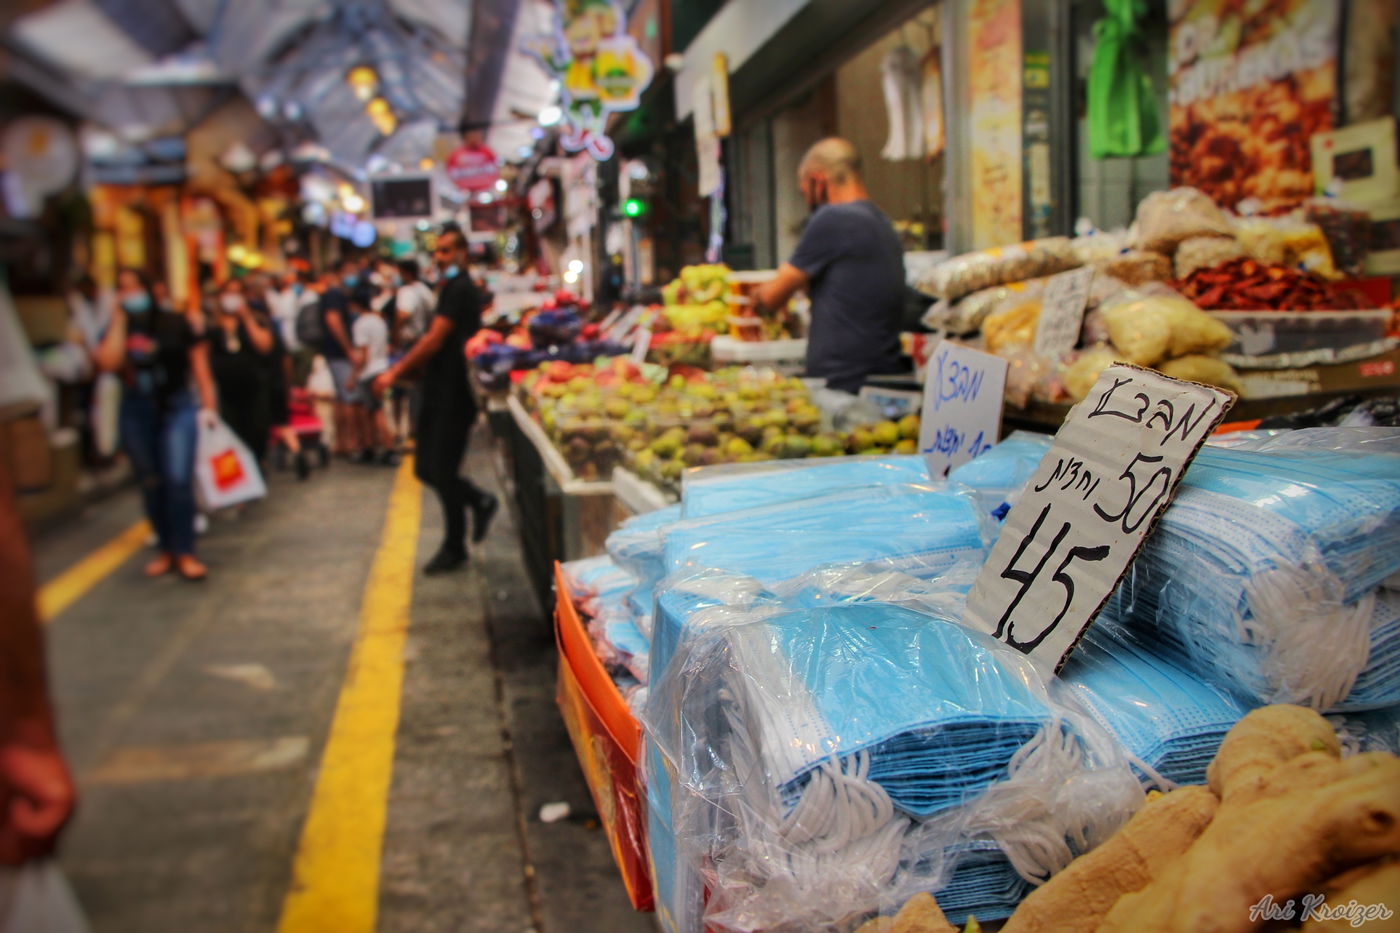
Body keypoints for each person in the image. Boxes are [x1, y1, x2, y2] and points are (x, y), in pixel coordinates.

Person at [373, 225, 498, 574]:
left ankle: (455, 544)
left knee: (441, 469)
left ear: (462, 253)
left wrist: (393, 373)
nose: (440, 257)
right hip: (438, 388)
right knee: (427, 467)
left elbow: (434, 339)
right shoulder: (448, 288)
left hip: (454, 394)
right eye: (437, 251)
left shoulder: (460, 289)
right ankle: (477, 500)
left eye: (446, 250)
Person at [94, 269, 218, 580]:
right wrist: (118, 320)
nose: (129, 295)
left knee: (177, 480)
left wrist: (209, 407)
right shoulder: (116, 327)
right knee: (151, 480)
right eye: (122, 289)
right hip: (137, 409)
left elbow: (199, 366)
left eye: (134, 288)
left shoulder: (175, 323)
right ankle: (166, 548)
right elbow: (108, 362)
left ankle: (186, 550)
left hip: (177, 407)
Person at [755, 137, 904, 394]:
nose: (807, 203)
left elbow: (769, 299)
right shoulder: (881, 221)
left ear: (818, 180)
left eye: (804, 193)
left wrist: (755, 295)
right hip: (880, 375)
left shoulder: (833, 218)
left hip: (843, 384)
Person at [209, 278, 275, 465]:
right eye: (228, 292)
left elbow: (265, 347)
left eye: (236, 293)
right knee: (231, 431)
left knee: (256, 430)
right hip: (224, 388)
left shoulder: (257, 319)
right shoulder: (212, 323)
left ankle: (257, 465)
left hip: (253, 385)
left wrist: (246, 317)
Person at [348, 291, 397, 465]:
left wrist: (353, 377)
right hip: (382, 368)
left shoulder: (360, 324)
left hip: (369, 372)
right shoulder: (379, 321)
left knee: (375, 411)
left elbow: (363, 353)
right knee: (373, 411)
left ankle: (386, 448)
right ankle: (374, 447)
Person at [318, 265, 359, 457]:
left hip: (335, 353)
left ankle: (342, 442)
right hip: (339, 354)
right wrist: (348, 348)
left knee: (341, 398)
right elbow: (333, 321)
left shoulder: (331, 294)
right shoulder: (334, 294)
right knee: (347, 398)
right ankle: (349, 442)